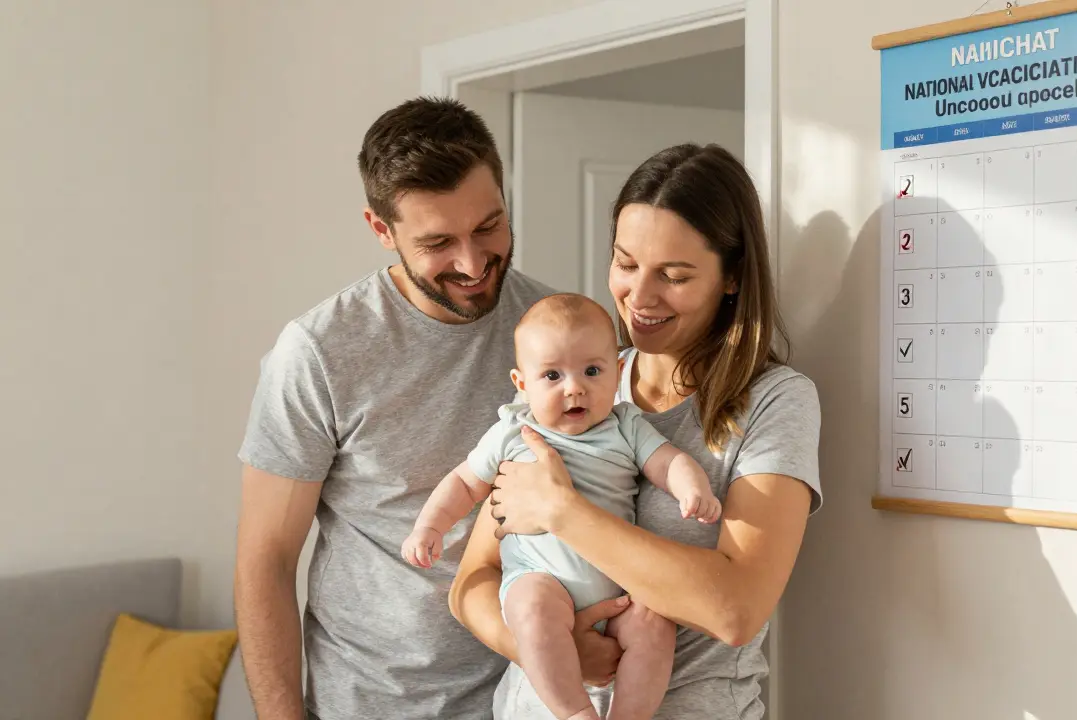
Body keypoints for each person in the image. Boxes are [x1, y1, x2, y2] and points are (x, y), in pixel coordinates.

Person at [449, 143, 824, 720]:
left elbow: (735, 611)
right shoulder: (568, 383)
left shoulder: (775, 401)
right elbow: (472, 582)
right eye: (625, 264)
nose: (639, 298)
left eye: (673, 276)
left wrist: (563, 511)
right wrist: (549, 649)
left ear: (731, 277)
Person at [233, 96, 574, 720]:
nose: (472, 263)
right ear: (381, 230)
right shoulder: (319, 351)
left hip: (535, 699)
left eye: (489, 226)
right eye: (438, 242)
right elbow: (266, 561)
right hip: (372, 703)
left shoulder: (562, 333)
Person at [401, 292, 721, 720]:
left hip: (619, 589)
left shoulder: (625, 426)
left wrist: (691, 487)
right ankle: (575, 713)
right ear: (522, 384)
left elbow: (667, 461)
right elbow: (463, 481)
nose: (574, 387)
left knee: (654, 624)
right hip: (540, 577)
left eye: (592, 371)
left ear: (617, 371)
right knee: (532, 611)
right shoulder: (513, 432)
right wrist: (429, 527)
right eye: (552, 375)